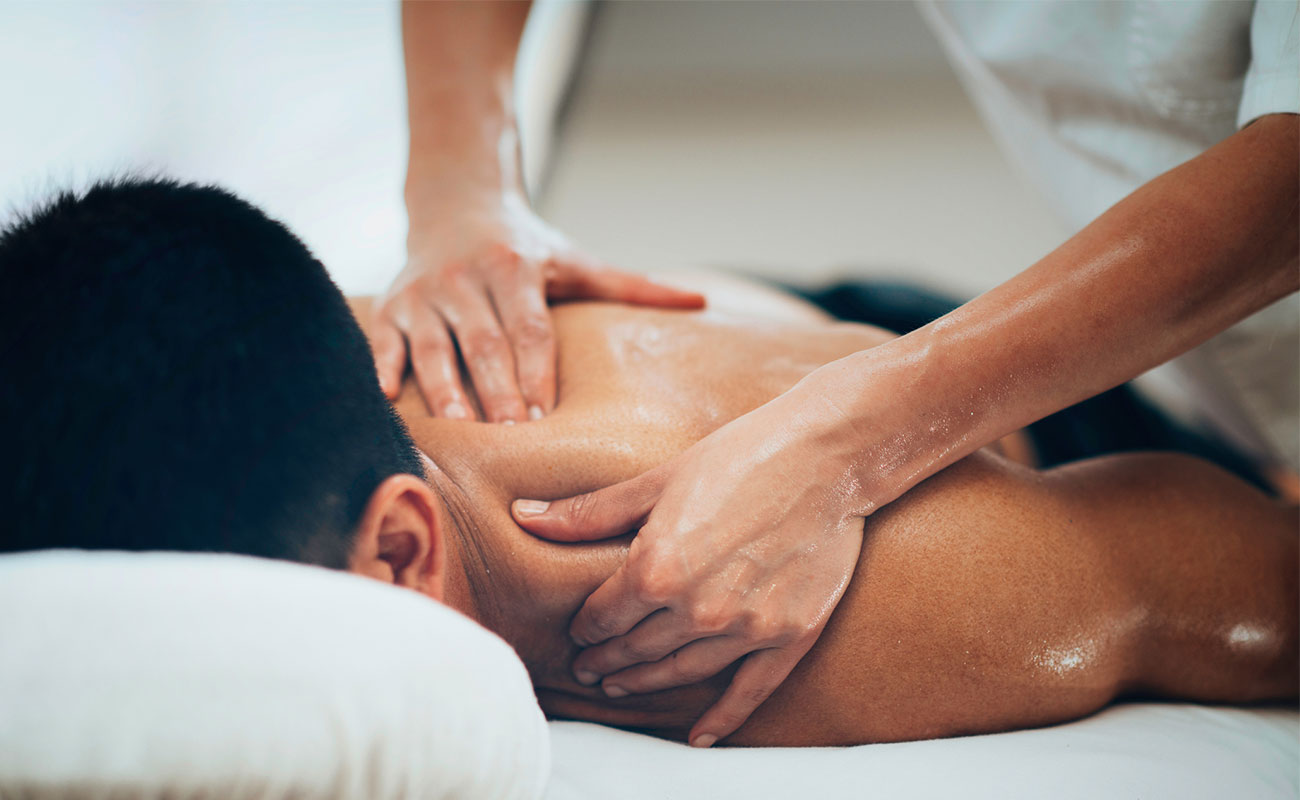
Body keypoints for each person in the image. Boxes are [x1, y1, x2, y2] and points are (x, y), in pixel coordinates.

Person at [3, 179, 1295, 746]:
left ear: (401, 554)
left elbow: (1244, 582)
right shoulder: (259, 358)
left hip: (1036, 420)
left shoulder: (789, 631)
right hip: (742, 319)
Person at [383, 0, 1300, 746]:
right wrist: (462, 187)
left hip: (971, 416)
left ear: (399, 549)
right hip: (872, 342)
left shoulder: (908, 598)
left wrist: (850, 442)